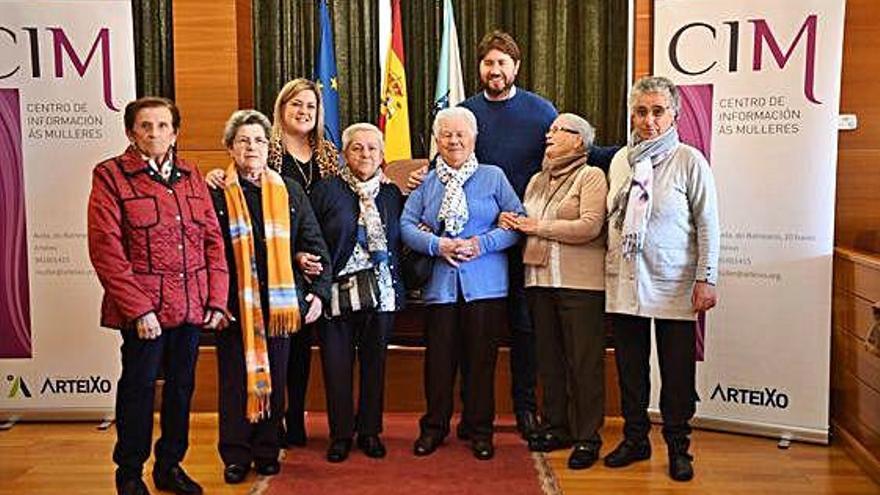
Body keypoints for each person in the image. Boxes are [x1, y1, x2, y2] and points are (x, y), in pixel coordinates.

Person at [407, 31, 618, 439]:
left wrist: (626, 152)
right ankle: (468, 418)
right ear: (480, 68)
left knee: (525, 328)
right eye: (489, 63)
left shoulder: (540, 111)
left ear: (516, 67)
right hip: (478, 250)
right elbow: (444, 165)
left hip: (528, 239)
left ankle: (524, 407)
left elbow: (578, 150)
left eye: (503, 63)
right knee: (470, 337)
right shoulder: (463, 112)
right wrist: (423, 173)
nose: (496, 70)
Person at [87, 96, 228, 495]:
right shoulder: (110, 176)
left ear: (175, 132)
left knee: (182, 388)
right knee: (139, 388)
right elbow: (106, 249)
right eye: (145, 126)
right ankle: (129, 473)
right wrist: (139, 310)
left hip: (190, 307)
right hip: (143, 315)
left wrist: (216, 300)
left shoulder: (191, 174)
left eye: (163, 126)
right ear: (131, 132)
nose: (154, 133)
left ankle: (170, 466)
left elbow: (212, 242)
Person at [206, 78, 338, 448]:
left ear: (268, 146)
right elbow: (206, 253)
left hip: (284, 301)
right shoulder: (216, 192)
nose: (252, 147)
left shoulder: (293, 186)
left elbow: (315, 243)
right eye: (244, 141)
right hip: (235, 304)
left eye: (258, 141)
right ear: (230, 148)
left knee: (280, 378)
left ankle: (267, 447)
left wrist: (319, 293)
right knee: (234, 381)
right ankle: (235, 452)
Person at [603, 76, 719, 482]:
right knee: (631, 370)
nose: (648, 120)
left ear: (675, 114)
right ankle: (636, 439)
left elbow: (709, 226)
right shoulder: (621, 161)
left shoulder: (690, 160)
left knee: (676, 374)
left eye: (657, 111)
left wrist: (707, 278)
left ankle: (678, 446)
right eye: (640, 111)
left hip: (675, 283)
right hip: (627, 281)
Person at [402, 107, 524, 461]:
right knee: (438, 364)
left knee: (481, 364)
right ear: (437, 141)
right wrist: (437, 246)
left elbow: (518, 223)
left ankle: (480, 430)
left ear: (474, 138)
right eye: (446, 135)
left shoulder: (494, 176)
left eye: (461, 135)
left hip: (486, 288)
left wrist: (480, 244)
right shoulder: (425, 182)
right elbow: (406, 225)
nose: (454, 141)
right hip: (439, 289)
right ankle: (433, 428)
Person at [499, 113, 608, 470]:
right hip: (538, 282)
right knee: (549, 359)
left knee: (583, 363)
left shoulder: (591, 176)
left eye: (559, 130)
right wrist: (510, 221)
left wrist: (537, 226)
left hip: (580, 285)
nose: (549, 134)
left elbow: (590, 227)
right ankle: (557, 427)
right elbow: (523, 219)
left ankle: (588, 437)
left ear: (579, 140)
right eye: (550, 129)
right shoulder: (536, 181)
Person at [308, 123, 405, 463]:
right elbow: (311, 237)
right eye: (357, 148)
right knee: (337, 366)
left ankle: (369, 431)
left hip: (382, 293)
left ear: (382, 156)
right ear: (345, 154)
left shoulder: (393, 194)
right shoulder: (326, 191)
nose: (365, 154)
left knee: (374, 365)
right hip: (337, 293)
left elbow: (401, 241)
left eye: (372, 149)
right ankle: (340, 435)